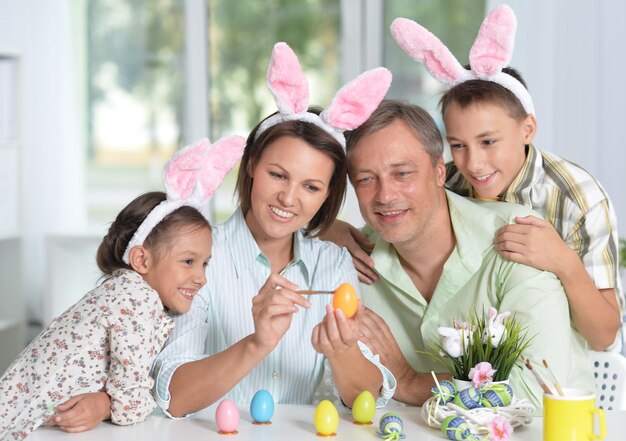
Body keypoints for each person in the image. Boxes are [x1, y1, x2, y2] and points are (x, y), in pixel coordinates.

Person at [330, 4, 622, 351]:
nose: (474, 163)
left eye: (488, 142)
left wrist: (564, 262)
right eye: (458, 145)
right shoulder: (448, 181)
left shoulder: (576, 197)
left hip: (554, 364)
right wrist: (329, 229)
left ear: (527, 128)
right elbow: (393, 216)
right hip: (470, 365)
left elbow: (604, 335)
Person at [151, 42, 395, 418]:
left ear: (327, 195)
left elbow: (366, 399)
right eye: (277, 175)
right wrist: (256, 343)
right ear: (250, 165)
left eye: (311, 187)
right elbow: (174, 397)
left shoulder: (333, 265)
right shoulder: (196, 258)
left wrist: (342, 352)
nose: (288, 198)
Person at [343, 99, 593, 408]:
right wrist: (324, 226)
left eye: (402, 173)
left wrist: (408, 383)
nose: (385, 195)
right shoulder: (351, 258)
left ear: (438, 172)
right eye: (366, 179)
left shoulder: (519, 239)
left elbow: (534, 393)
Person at [0, 136, 243, 439]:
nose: (201, 278)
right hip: (27, 426)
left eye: (204, 264)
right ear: (141, 259)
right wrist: (123, 400)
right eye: (188, 261)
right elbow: (129, 402)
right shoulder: (136, 301)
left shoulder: (121, 290)